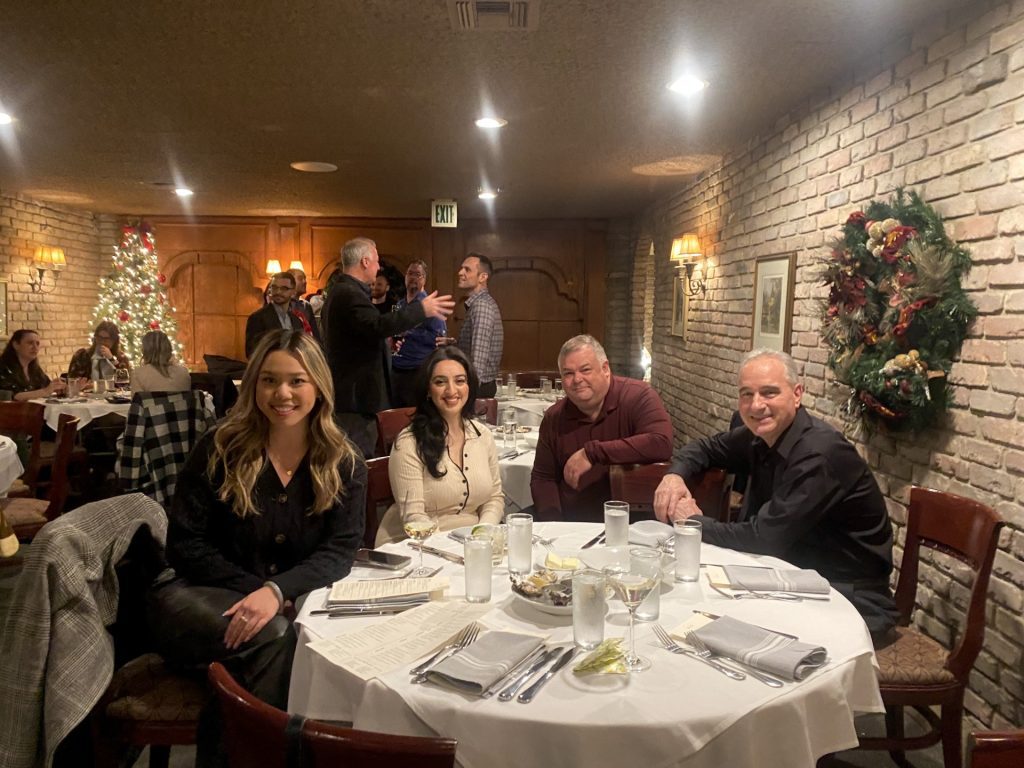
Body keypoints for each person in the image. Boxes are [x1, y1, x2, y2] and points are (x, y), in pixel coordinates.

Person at [147, 330, 365, 766]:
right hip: (193, 598)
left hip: (280, 603)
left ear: (318, 386)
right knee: (276, 637)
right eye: (268, 380)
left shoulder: (343, 460)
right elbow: (185, 544)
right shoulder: (220, 447)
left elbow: (340, 551)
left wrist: (276, 591)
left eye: (296, 381)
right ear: (252, 386)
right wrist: (263, 591)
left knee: (311, 643)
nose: (281, 393)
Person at [653, 348, 898, 644]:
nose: (757, 405)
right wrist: (674, 475)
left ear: (797, 394)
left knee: (711, 633)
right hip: (787, 577)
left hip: (846, 597)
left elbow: (764, 538)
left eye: (769, 393)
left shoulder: (819, 454)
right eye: (747, 394)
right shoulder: (761, 435)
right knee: (686, 608)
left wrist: (693, 521)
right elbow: (705, 448)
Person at [323, 237, 454, 458]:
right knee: (358, 463)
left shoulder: (345, 291)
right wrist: (421, 309)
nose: (378, 266)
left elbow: (365, 333)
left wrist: (387, 343)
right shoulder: (349, 293)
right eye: (375, 261)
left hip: (356, 396)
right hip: (357, 400)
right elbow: (377, 325)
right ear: (365, 262)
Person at [531, 335, 673, 522]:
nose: (577, 379)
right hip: (573, 523)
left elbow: (660, 442)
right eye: (568, 373)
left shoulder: (638, 396)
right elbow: (543, 478)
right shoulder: (554, 417)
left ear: (605, 369)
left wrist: (592, 453)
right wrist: (554, 524)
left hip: (631, 524)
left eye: (585, 370)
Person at [375, 346, 503, 545]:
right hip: (416, 547)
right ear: (428, 389)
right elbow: (414, 517)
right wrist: (454, 549)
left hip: (473, 544)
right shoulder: (409, 442)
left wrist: (482, 534)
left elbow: (494, 498)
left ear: (469, 386)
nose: (451, 390)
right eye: (440, 382)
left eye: (460, 381)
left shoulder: (483, 435)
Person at [390, 260, 446, 407]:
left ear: (424, 280)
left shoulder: (431, 305)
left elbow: (439, 339)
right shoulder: (400, 305)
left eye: (418, 275)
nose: (413, 278)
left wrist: (410, 332)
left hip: (417, 371)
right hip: (396, 370)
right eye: (410, 274)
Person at [452, 253, 503, 397]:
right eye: (461, 268)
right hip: (479, 386)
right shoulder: (480, 304)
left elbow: (478, 359)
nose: (460, 273)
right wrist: (454, 344)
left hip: (478, 388)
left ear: (483, 277)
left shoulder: (481, 306)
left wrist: (469, 394)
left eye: (467, 270)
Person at [245, 272, 309, 358]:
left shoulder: (297, 320)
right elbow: (251, 352)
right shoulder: (257, 318)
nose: (278, 292)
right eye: (274, 288)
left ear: (293, 292)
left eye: (284, 288)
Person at [0, 329, 68, 400]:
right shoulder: (3, 367)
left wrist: (60, 387)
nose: (35, 347)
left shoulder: (34, 369)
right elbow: (10, 396)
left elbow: (47, 386)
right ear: (16, 345)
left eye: (37, 344)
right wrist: (46, 391)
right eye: (30, 343)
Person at [288, 268, 321, 344]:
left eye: (305, 279)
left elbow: (315, 334)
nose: (305, 282)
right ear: (290, 282)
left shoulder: (306, 305)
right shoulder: (284, 305)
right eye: (300, 278)